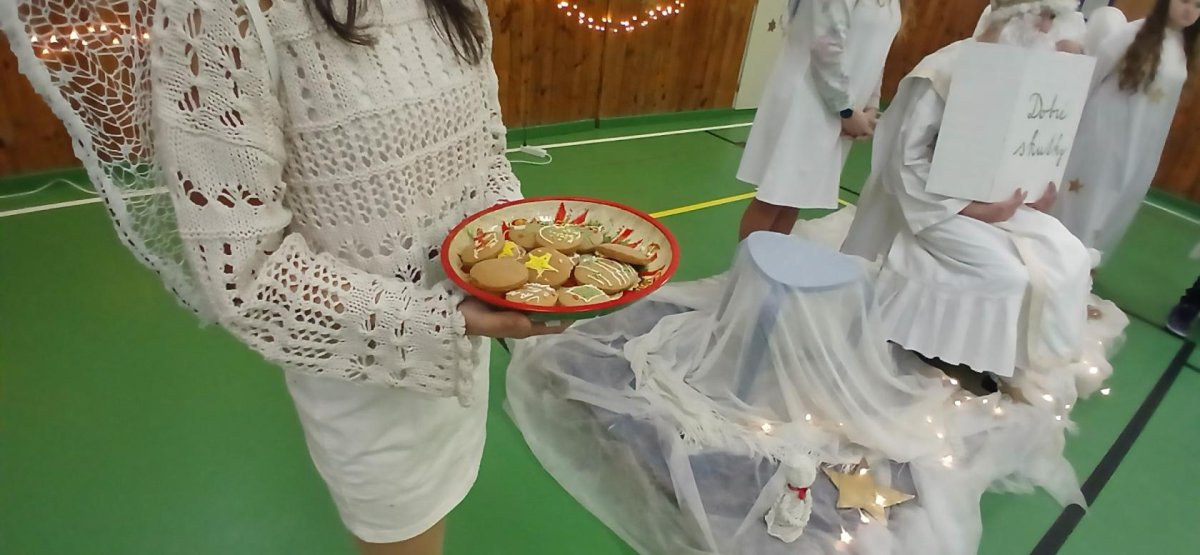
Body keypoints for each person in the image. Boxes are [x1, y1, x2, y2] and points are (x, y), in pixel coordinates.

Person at [3, 1, 563, 554]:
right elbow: (248, 276)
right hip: (366, 374)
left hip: (466, 348)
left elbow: (485, 158)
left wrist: (517, 255)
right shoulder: (222, 15)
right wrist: (443, 320)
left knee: (438, 513)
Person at [842, 0, 1092, 386]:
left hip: (996, 203)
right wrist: (973, 209)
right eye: (1041, 13)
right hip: (931, 205)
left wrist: (1033, 190)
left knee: (1070, 254)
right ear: (1011, 15)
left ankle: (990, 352)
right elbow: (905, 163)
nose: (1046, 27)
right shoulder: (944, 71)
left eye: (1053, 17)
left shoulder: (1028, 73)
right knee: (1006, 274)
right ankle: (939, 350)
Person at [736, 0, 903, 240]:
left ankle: (770, 260)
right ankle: (746, 263)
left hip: (838, 108)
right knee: (775, 197)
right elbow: (826, 46)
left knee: (794, 198)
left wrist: (871, 105)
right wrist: (846, 111)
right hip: (807, 102)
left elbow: (878, 53)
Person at [1052, 0, 1200, 256]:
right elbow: (1095, 71)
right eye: (1184, 1)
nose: (1190, 10)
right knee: (1084, 195)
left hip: (1140, 141)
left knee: (1111, 199)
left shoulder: (1181, 47)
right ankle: (1062, 251)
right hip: (1104, 130)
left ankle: (1085, 254)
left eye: (1197, 6)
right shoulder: (1133, 33)